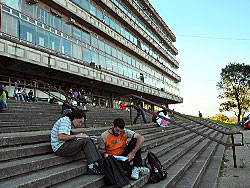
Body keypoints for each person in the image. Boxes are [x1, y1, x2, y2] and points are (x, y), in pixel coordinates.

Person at [51, 109, 103, 175]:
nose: (80, 124)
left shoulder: (67, 121)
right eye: (80, 121)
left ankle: (99, 162)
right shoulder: (65, 121)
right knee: (86, 141)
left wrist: (79, 137)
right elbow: (61, 137)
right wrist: (76, 136)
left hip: (64, 145)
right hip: (60, 148)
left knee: (88, 140)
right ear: (75, 118)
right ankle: (91, 167)